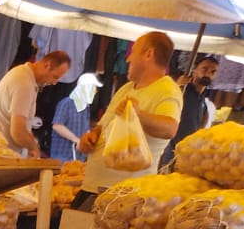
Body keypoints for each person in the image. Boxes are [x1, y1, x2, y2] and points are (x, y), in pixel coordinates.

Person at [77, 31, 181, 194]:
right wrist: (92, 136)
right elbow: (103, 125)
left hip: (123, 194)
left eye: (132, 52)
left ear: (148, 54)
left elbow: (170, 129)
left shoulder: (167, 90)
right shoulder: (126, 88)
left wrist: (138, 115)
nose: (127, 59)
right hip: (94, 187)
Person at [0, 50, 71, 156]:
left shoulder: (23, 75)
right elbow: (18, 132)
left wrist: (32, 142)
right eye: (55, 77)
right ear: (47, 65)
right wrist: (34, 148)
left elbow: (23, 126)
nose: (54, 83)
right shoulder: (24, 84)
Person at [162, 55, 220, 168]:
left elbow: (202, 124)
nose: (208, 74)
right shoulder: (183, 90)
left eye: (213, 71)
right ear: (194, 70)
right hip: (171, 150)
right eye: (204, 69)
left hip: (188, 152)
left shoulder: (203, 99)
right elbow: (166, 96)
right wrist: (177, 85)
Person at [49, 73, 101, 163]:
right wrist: (76, 140)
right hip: (62, 157)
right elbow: (57, 126)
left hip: (78, 158)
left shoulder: (86, 108)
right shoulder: (66, 103)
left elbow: (85, 129)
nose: (95, 91)